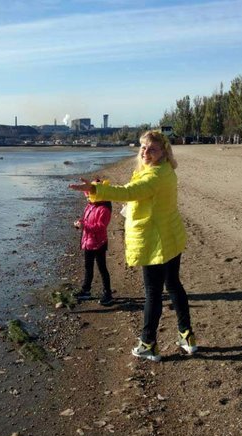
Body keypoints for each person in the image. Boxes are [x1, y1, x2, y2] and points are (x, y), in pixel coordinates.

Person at [69, 130, 196, 362]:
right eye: (143, 147)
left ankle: (148, 343)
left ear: (163, 152)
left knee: (153, 293)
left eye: (152, 149)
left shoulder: (155, 176)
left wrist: (95, 190)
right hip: (171, 235)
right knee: (173, 285)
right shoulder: (166, 170)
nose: (146, 152)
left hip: (155, 241)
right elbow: (138, 192)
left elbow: (129, 192)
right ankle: (187, 336)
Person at [73, 179, 114, 306]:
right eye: (87, 195)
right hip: (88, 241)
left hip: (99, 243)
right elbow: (86, 220)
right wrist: (80, 223)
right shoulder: (90, 206)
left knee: (102, 268)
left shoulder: (104, 209)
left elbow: (101, 227)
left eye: (89, 195)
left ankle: (108, 293)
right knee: (88, 267)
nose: (88, 198)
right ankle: (86, 290)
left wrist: (84, 226)